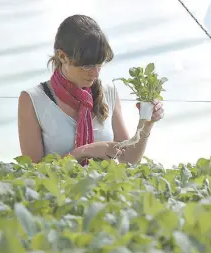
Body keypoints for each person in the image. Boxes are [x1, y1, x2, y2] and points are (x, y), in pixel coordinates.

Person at [18, 14, 164, 165]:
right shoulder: (33, 99)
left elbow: (129, 160)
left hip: (105, 189)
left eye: (99, 64)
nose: (95, 74)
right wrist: (83, 152)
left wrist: (146, 123)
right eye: (86, 66)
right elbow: (32, 172)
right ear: (62, 56)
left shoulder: (109, 93)